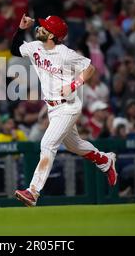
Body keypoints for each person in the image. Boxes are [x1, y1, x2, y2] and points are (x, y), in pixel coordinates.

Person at [11, 14, 117, 207]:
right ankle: (104, 160)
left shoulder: (66, 53)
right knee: (73, 145)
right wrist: (21, 28)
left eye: (44, 27)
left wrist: (74, 84)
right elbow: (14, 49)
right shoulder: (35, 46)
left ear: (52, 35)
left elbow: (90, 68)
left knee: (47, 144)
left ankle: (33, 191)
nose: (39, 28)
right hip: (52, 108)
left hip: (68, 105)